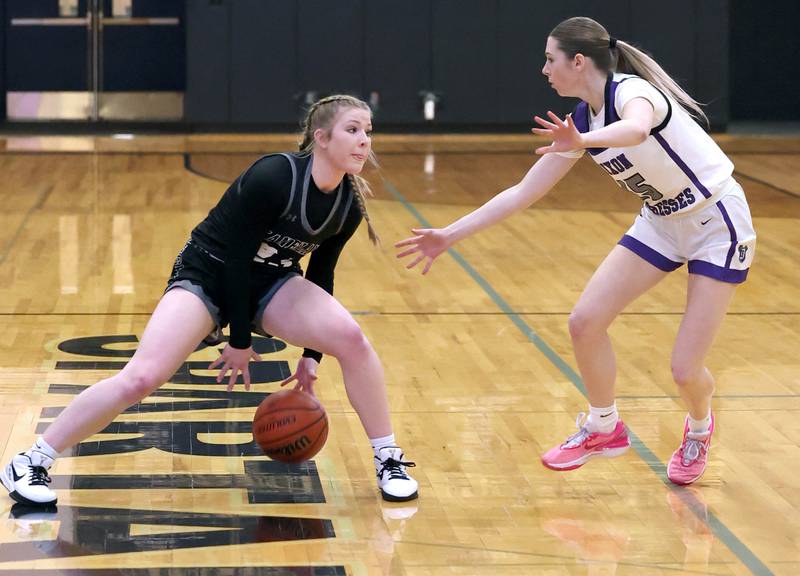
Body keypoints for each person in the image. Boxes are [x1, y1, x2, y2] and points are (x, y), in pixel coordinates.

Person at [2, 94, 418, 505]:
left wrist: (312, 356)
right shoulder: (274, 176)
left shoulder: (347, 205)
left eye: (368, 131)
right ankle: (32, 460)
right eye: (353, 130)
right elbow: (235, 260)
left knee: (352, 339)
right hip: (209, 272)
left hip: (271, 282)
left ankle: (388, 457)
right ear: (321, 138)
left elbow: (321, 274)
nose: (364, 140)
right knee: (142, 378)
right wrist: (239, 341)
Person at [396, 17, 755, 486]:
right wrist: (450, 234)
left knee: (685, 369)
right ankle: (604, 427)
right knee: (584, 322)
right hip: (662, 222)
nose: (544, 70)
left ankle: (700, 427)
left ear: (578, 61)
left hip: (717, 222)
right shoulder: (581, 120)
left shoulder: (630, 93)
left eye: (550, 59)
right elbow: (523, 192)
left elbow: (637, 130)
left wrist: (582, 142)